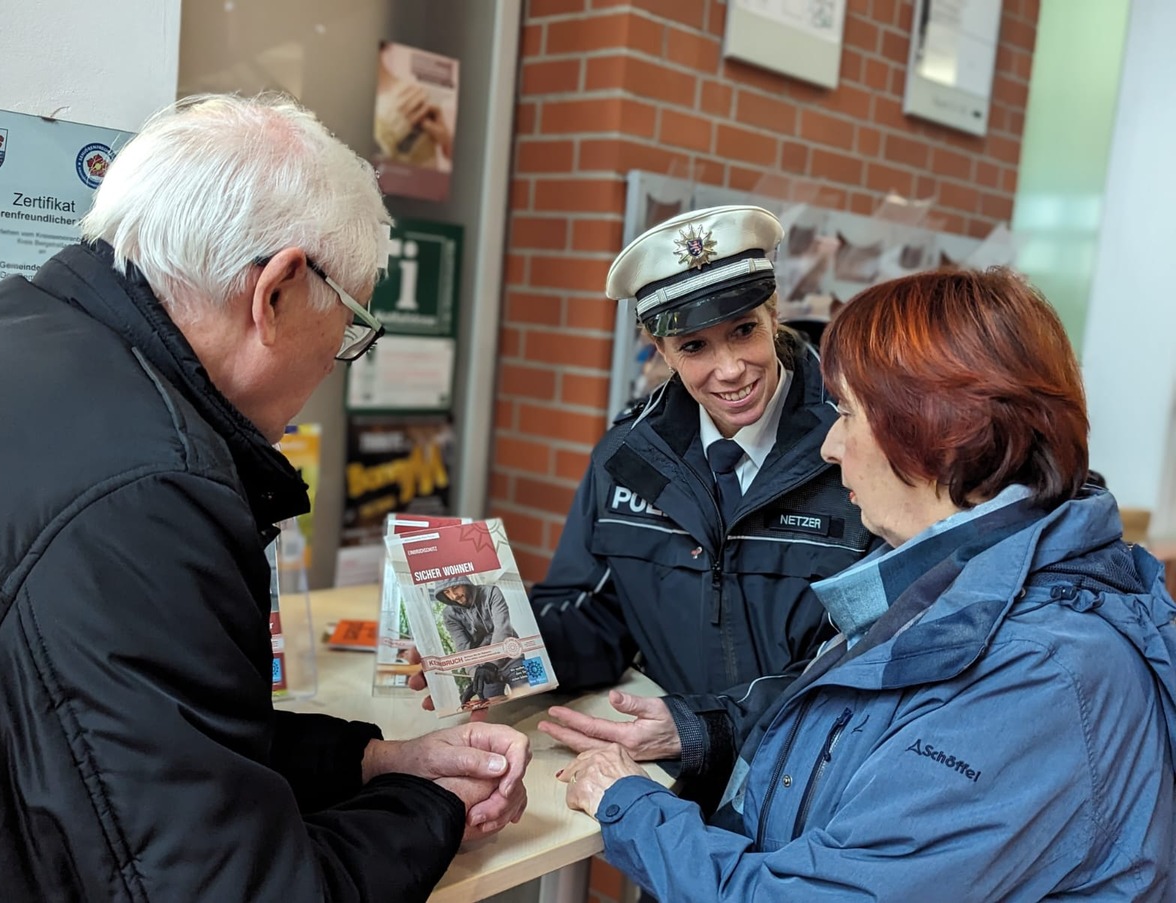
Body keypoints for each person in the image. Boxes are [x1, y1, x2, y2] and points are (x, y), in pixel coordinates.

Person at [0, 93, 529, 903]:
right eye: (348, 329)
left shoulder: (10, 329)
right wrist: (432, 804)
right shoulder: (151, 487)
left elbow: (135, 738)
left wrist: (367, 762)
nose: (338, 363)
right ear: (276, 292)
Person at [549, 268, 1176, 900]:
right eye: (695, 347)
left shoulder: (1035, 674)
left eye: (847, 411)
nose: (829, 445)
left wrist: (629, 804)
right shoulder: (942, 588)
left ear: (936, 428)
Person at [529, 205, 872, 758]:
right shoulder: (627, 458)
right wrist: (490, 651)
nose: (731, 368)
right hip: (667, 779)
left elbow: (864, 658)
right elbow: (595, 618)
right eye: (694, 346)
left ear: (773, 316)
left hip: (805, 780)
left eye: (743, 331)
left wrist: (703, 727)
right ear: (660, 349)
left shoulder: (859, 447)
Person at [434, 577, 530, 705]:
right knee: (493, 708)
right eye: (447, 592)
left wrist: (491, 664)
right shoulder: (449, 615)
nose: (454, 596)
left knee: (529, 698)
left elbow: (503, 629)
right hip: (482, 667)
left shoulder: (492, 592)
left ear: (464, 583)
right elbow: (463, 647)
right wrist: (476, 677)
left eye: (455, 588)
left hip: (512, 657)